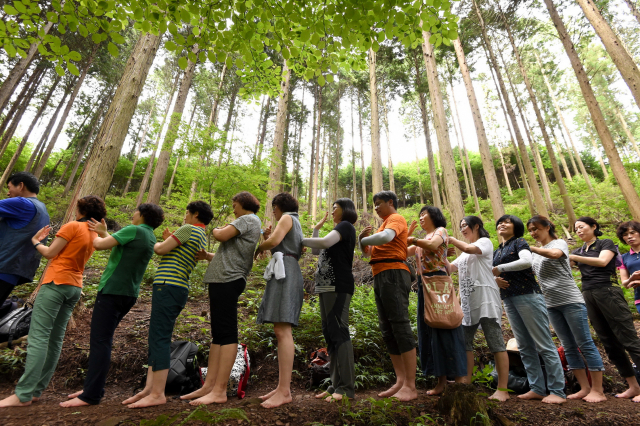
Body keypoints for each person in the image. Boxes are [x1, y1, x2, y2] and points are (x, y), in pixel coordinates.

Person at [0, 196, 106, 408]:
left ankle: (23, 394)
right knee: (55, 339)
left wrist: (36, 242)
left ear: (81, 209)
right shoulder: (94, 232)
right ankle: (36, 390)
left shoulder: (72, 226)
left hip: (55, 284)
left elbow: (49, 253)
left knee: (39, 337)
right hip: (75, 287)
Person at [60, 204, 165, 407]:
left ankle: (91, 395)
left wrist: (95, 233)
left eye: (135, 212)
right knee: (103, 341)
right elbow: (120, 245)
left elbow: (99, 245)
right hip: (128, 294)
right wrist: (104, 233)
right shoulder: (150, 236)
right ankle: (92, 387)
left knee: (100, 342)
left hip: (112, 291)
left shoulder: (133, 229)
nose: (132, 215)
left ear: (142, 215)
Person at [123, 201, 212, 409]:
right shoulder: (201, 235)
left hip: (168, 286)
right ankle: (149, 388)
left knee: (160, 338)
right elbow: (175, 251)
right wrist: (170, 240)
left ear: (195, 214)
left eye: (187, 213)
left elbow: (161, 250)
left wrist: (157, 241)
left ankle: (157, 393)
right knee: (156, 337)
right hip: (175, 287)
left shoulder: (189, 229)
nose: (185, 216)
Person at [180, 192, 262, 406]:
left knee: (226, 333)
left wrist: (216, 228)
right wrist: (208, 256)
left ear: (244, 204)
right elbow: (231, 254)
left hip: (229, 280)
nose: (233, 209)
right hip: (223, 279)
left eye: (234, 204)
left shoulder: (248, 219)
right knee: (218, 335)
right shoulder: (247, 222)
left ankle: (220, 390)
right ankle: (209, 386)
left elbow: (220, 235)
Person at [527, 215, 606, 403]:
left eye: (536, 228)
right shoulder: (536, 252)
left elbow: (555, 255)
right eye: (530, 230)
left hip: (570, 300)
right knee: (568, 346)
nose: (533, 233)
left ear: (547, 227)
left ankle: (598, 390)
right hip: (551, 303)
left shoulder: (559, 243)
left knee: (584, 343)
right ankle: (584, 388)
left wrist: (531, 248)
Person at [492, 214, 566, 404]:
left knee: (544, 344)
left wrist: (501, 268)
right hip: (509, 298)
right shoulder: (498, 250)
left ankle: (557, 390)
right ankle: (537, 388)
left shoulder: (520, 242)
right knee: (524, 346)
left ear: (516, 226)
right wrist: (495, 279)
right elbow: (492, 272)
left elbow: (526, 262)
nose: (502, 224)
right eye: (499, 222)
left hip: (528, 296)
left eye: (506, 222)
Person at [570, 216, 640, 400]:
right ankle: (633, 386)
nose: (578, 230)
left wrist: (574, 257)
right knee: (609, 342)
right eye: (576, 228)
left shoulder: (605, 243)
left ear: (594, 226)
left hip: (608, 291)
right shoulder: (578, 250)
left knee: (629, 339)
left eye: (582, 226)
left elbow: (602, 262)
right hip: (588, 294)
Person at [359, 191, 417, 402]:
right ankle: (400, 381)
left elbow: (385, 238)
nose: (376, 208)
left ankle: (411, 385)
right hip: (380, 273)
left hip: (394, 272)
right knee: (387, 328)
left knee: (399, 324)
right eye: (374, 205)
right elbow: (368, 252)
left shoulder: (396, 219)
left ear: (390, 202)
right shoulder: (382, 224)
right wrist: (362, 240)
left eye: (379, 204)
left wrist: (363, 239)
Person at [406, 206, 466, 396]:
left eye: (424, 214)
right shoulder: (421, 240)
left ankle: (457, 380)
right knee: (431, 330)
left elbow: (432, 246)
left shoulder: (440, 232)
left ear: (434, 216)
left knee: (446, 325)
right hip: (424, 284)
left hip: (439, 282)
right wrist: (406, 236)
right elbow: (401, 253)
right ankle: (441, 381)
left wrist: (414, 239)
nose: (421, 217)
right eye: (420, 215)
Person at [302, 198, 358, 402]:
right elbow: (317, 249)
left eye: (336, 208)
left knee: (339, 331)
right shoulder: (336, 231)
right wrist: (316, 229)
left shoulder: (346, 226)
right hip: (326, 287)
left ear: (346, 210)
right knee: (330, 333)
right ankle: (335, 385)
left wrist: (300, 238)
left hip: (338, 286)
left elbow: (324, 243)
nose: (333, 211)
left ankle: (346, 388)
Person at [448, 216, 508, 402]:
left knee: (495, 342)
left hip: (485, 301)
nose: (463, 228)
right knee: (465, 342)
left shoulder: (485, 242)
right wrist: (440, 255)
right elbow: (450, 268)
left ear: (477, 226)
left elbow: (468, 248)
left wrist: (449, 238)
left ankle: (503, 389)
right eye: (461, 226)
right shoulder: (464, 254)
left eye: (465, 225)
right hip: (467, 303)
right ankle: (466, 381)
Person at [254, 193, 304, 409]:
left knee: (283, 330)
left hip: (286, 273)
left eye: (273, 208)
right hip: (285, 270)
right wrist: (267, 240)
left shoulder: (287, 217)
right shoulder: (294, 221)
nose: (272, 213)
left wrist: (259, 246)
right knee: (280, 329)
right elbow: (276, 242)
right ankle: (281, 387)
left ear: (279, 206)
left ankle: (284, 391)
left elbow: (274, 242)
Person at [0, 172, 50, 304]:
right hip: (15, 270)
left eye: (10, 187)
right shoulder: (42, 209)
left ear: (21, 186)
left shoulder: (22, 204)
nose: (8, 193)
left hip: (4, 265)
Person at [617, 220, 640, 316]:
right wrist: (632, 278)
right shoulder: (623, 258)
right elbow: (625, 283)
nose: (629, 236)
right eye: (625, 234)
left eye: (632, 232)